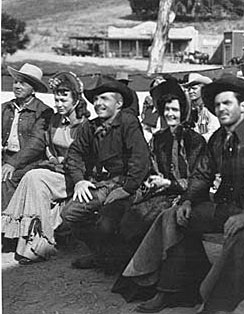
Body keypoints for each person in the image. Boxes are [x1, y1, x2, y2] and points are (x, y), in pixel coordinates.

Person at [114, 75, 244, 314]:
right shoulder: (218, 138)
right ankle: (167, 290)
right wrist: (188, 200)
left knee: (240, 242)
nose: (221, 109)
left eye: (227, 103)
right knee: (172, 216)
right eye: (217, 105)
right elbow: (203, 175)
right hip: (225, 209)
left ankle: (239, 306)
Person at [112, 78, 208, 300]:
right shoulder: (158, 139)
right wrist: (152, 181)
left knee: (153, 219)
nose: (171, 114)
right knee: (132, 215)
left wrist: (172, 184)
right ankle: (143, 277)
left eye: (175, 109)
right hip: (164, 192)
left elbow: (199, 179)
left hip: (190, 196)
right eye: (167, 109)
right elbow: (152, 168)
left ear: (183, 111)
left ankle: (157, 282)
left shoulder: (195, 140)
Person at [61, 78, 150, 270]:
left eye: (105, 99)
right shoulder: (90, 126)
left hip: (129, 183)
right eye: (96, 99)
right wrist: (79, 181)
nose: (98, 103)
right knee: (70, 213)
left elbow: (141, 160)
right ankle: (100, 254)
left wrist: (126, 189)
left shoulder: (128, 122)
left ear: (118, 104)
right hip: (104, 183)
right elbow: (74, 153)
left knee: (107, 222)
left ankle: (115, 258)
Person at [1, 71, 90, 264]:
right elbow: (44, 144)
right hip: (55, 171)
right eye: (56, 100)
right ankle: (28, 242)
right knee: (32, 177)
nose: (58, 105)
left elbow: (88, 159)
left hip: (76, 176)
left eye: (63, 100)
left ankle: (40, 244)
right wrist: (52, 158)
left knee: (34, 177)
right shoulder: (54, 121)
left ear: (76, 100)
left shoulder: (85, 126)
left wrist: (63, 165)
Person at [2, 63, 54, 209]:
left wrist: (13, 163)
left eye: (23, 83)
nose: (17, 86)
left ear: (33, 89)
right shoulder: (5, 107)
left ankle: (5, 223)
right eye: (15, 82)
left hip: (30, 162)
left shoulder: (43, 111)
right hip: (5, 157)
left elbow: (36, 143)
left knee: (7, 178)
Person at [184, 73, 220, 141]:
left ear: (202, 89)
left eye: (194, 89)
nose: (191, 92)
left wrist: (196, 139)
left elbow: (214, 133)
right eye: (189, 89)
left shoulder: (209, 109)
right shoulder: (192, 110)